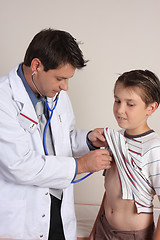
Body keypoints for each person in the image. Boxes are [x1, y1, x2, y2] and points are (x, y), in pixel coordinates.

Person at [0, 28, 112, 240]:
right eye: (60, 78)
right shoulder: (4, 100)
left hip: (59, 210)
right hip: (23, 216)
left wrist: (87, 140)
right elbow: (19, 165)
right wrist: (82, 165)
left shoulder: (55, 94)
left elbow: (61, 140)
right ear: (36, 66)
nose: (65, 87)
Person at [89, 69, 160, 240]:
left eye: (130, 104)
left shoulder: (154, 148)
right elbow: (111, 192)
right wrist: (94, 230)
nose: (120, 109)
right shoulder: (115, 139)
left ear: (150, 108)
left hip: (133, 234)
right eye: (117, 100)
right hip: (103, 227)